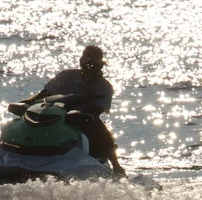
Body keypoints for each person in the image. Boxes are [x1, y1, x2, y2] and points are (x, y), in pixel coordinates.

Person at [21, 45, 125, 176]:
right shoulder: (66, 76)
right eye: (86, 62)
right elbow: (43, 94)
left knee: (105, 134)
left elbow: (96, 111)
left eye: (93, 64)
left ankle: (117, 168)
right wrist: (28, 102)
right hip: (55, 115)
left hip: (84, 120)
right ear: (81, 62)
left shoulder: (104, 86)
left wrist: (87, 90)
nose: (89, 66)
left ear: (100, 66)